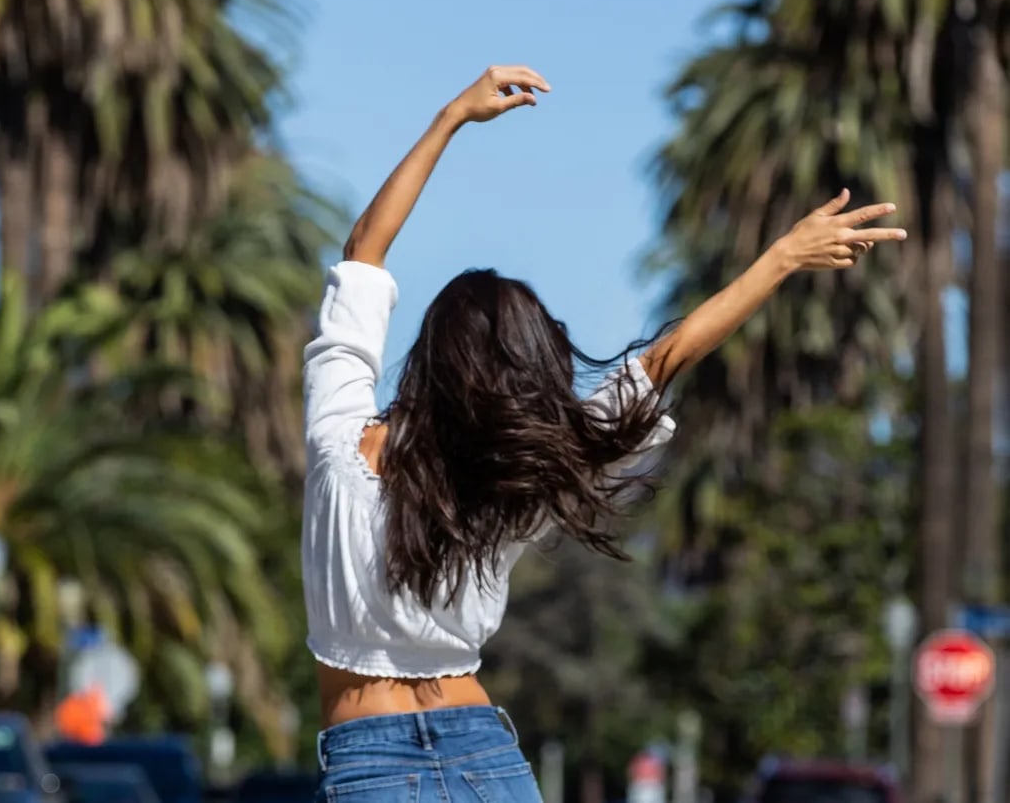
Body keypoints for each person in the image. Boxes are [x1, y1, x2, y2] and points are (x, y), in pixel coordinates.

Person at [301, 65, 904, 802]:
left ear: (430, 354)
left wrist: (450, 118)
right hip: (485, 751)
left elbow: (364, 252)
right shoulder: (515, 483)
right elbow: (661, 360)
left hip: (372, 767)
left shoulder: (338, 439)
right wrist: (780, 258)